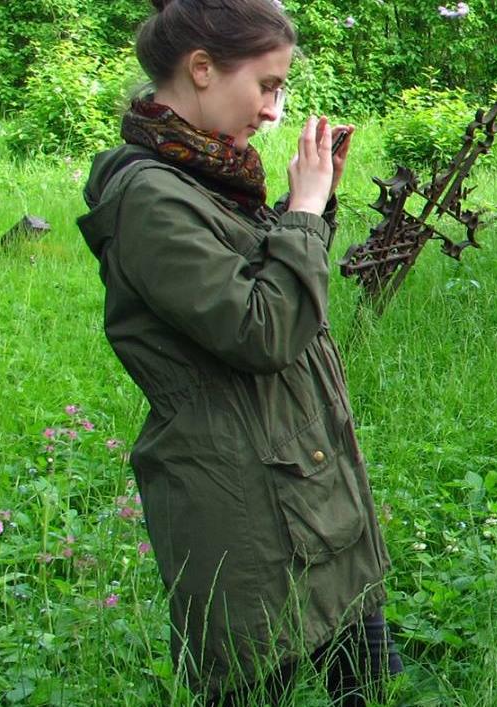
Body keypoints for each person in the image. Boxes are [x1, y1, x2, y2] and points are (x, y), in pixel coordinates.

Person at [74, 0, 399, 703]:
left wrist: (301, 206)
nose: (274, 110)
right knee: (256, 684)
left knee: (367, 682)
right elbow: (260, 330)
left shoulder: (205, 172)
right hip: (241, 516)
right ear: (201, 68)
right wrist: (305, 215)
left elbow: (251, 283)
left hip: (303, 488)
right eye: (267, 85)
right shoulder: (149, 198)